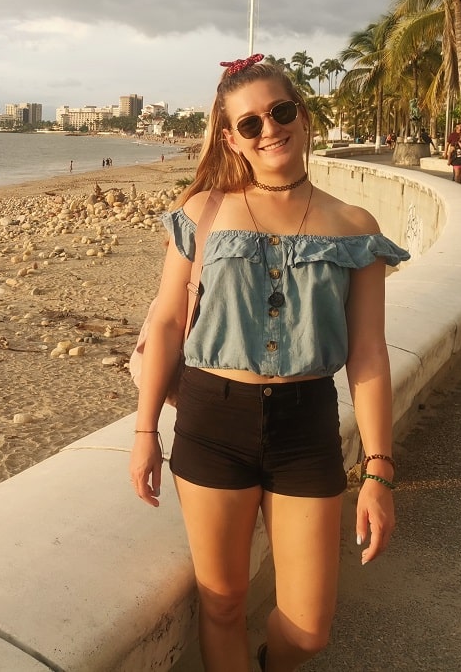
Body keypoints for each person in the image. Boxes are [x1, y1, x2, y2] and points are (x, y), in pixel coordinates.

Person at [130, 55, 408, 672]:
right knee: (223, 602)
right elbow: (169, 323)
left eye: (280, 112)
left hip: (306, 426)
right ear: (232, 139)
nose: (269, 129)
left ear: (303, 117)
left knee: (309, 630)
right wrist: (146, 431)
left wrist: (379, 471)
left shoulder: (354, 227)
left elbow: (368, 353)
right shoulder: (202, 211)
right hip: (212, 419)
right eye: (249, 123)